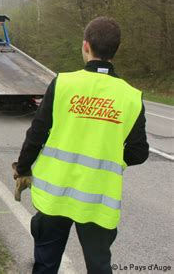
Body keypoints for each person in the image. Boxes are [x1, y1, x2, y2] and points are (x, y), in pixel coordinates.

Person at [14, 16, 149, 274]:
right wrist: (111, 157)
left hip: (55, 196)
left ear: (85, 46)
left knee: (46, 264)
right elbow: (139, 152)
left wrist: (22, 168)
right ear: (115, 50)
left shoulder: (64, 83)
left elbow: (36, 134)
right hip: (98, 199)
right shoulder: (131, 96)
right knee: (99, 267)